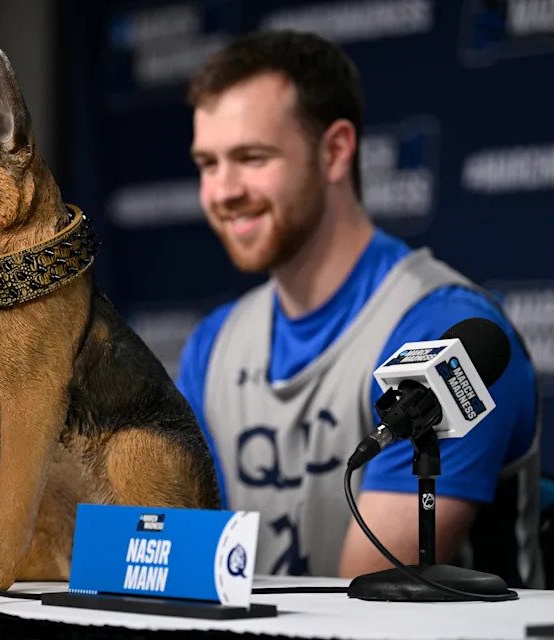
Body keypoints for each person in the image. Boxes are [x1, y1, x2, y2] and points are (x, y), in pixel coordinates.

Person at [178, 30, 542, 586]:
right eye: (208, 163)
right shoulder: (212, 346)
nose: (222, 191)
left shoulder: (440, 331)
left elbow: (370, 595)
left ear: (335, 151)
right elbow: (181, 559)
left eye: (252, 158)